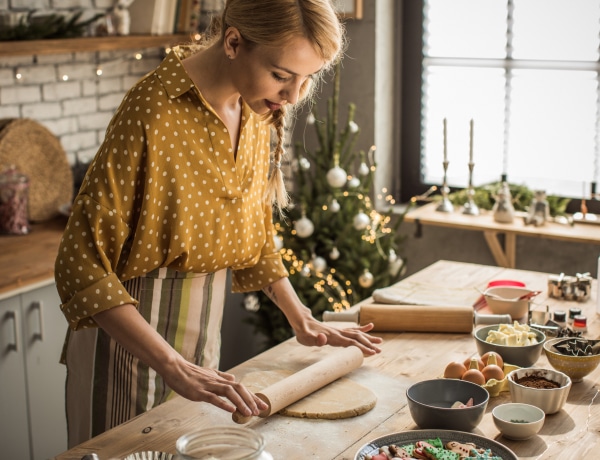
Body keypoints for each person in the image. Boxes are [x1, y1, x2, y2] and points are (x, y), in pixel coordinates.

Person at [55, 0, 383, 447]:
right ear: (233, 42)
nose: (293, 96)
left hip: (199, 351)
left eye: (307, 79)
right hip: (127, 354)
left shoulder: (255, 109)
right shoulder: (153, 110)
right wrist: (173, 365)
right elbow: (82, 264)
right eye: (283, 75)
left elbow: (253, 231)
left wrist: (300, 317)